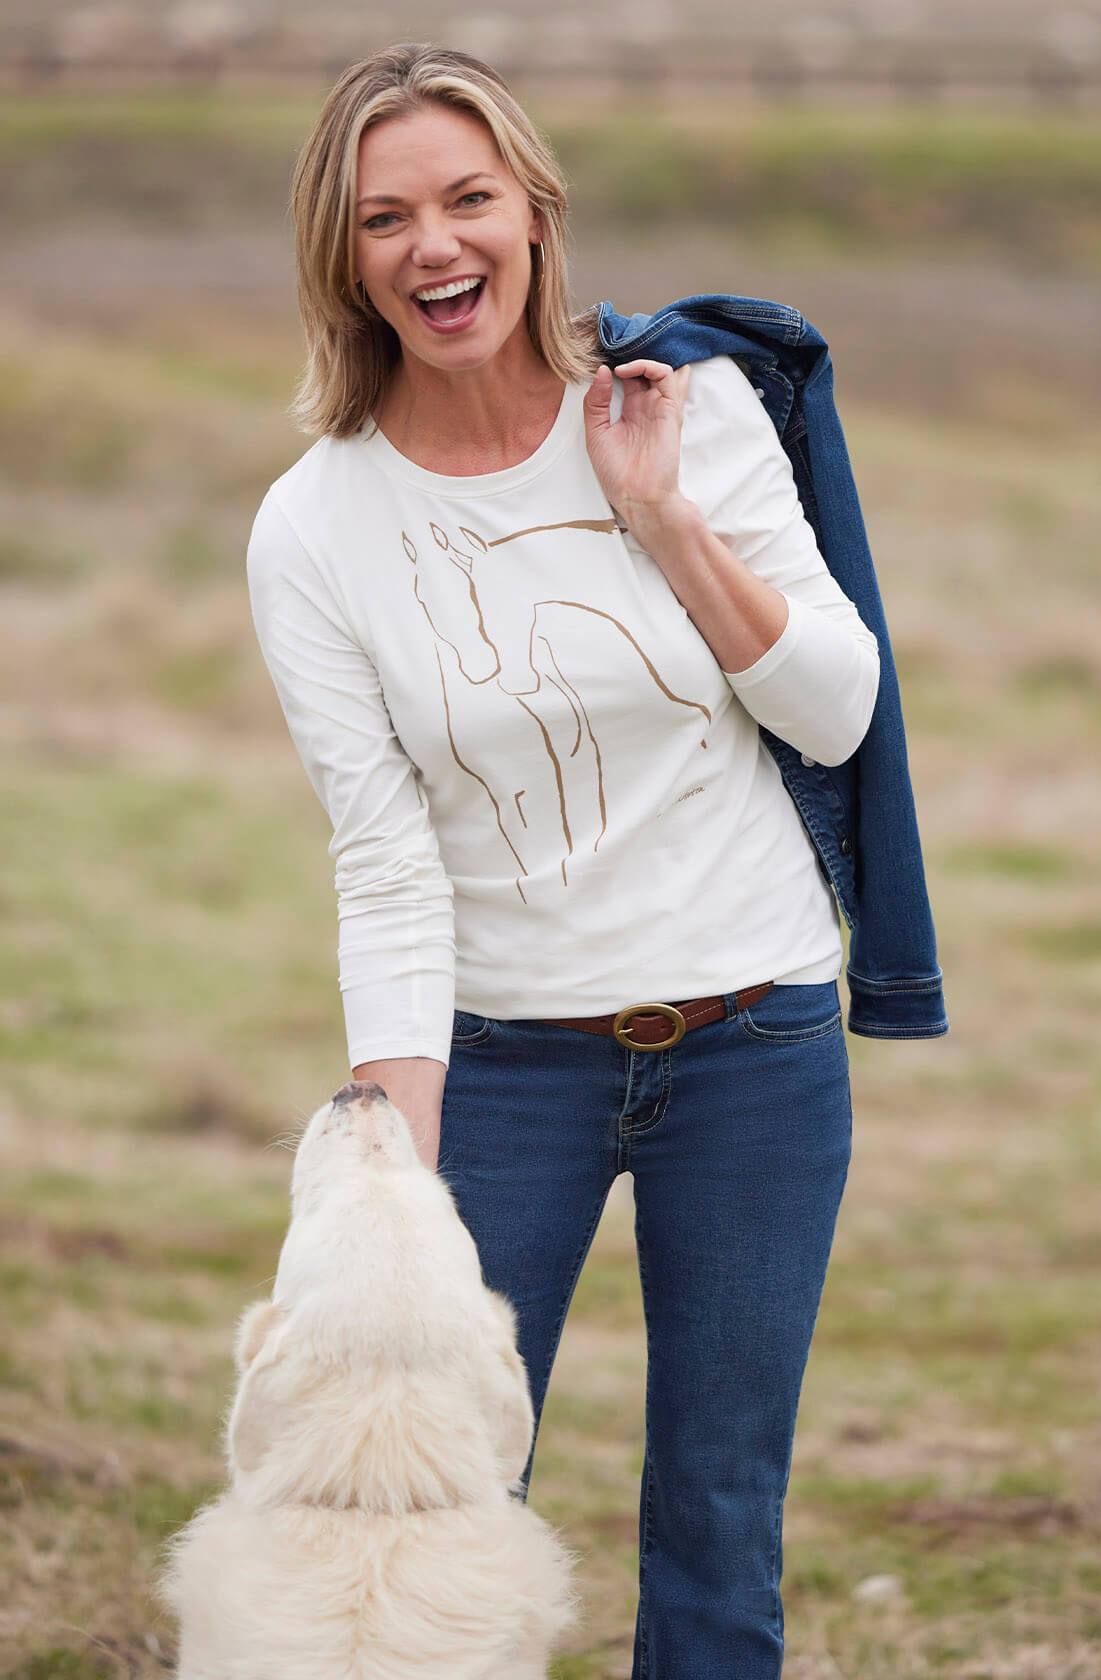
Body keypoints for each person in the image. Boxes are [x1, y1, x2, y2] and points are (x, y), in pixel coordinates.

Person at [246, 40, 944, 1679]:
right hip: (498, 1067)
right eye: (385, 218)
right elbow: (385, 858)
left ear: (536, 212)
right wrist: (391, 1163)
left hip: (755, 1048)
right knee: (433, 1510)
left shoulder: (685, 419)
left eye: (468, 199)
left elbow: (838, 713)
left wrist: (666, 521)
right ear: (342, 261)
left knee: (718, 1514)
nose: (436, 246)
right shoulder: (317, 524)